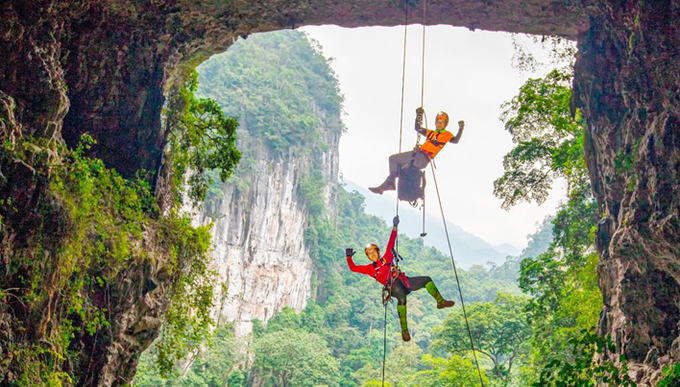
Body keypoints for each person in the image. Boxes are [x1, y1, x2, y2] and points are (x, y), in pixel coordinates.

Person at [345, 215, 455, 341]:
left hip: (404, 281)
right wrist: (349, 257)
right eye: (369, 254)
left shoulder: (387, 257)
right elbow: (354, 268)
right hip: (394, 287)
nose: (372, 255)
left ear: (378, 251)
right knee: (401, 299)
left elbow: (391, 241)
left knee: (427, 280)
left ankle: (440, 302)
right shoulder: (370, 269)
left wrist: (395, 226)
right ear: (368, 257)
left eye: (374, 251)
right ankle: (405, 331)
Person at [369, 107, 465, 194]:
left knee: (393, 159)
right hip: (419, 157)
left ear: (446, 124)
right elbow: (417, 128)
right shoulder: (431, 133)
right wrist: (418, 116)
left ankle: (389, 184)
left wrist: (461, 128)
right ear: (435, 123)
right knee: (398, 169)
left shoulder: (447, 135)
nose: (439, 124)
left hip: (421, 157)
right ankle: (384, 187)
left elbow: (455, 140)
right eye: (438, 121)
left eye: (442, 122)